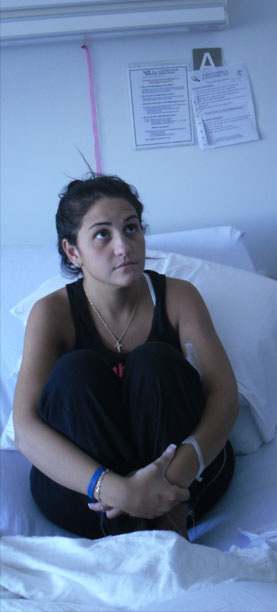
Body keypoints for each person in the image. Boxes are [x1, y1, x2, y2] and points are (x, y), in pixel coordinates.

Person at [12, 175, 237, 539]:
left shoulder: (179, 298)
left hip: (180, 482)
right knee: (75, 371)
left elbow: (224, 396)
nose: (123, 245)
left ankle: (168, 531)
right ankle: (130, 535)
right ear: (73, 252)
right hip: (90, 494)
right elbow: (25, 428)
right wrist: (120, 491)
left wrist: (167, 483)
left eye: (131, 228)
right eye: (102, 234)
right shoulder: (51, 314)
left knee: (156, 361)